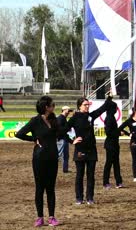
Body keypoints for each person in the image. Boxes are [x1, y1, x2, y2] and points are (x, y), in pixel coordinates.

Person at [15, 96, 79, 227]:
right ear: (46, 107)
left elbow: (61, 133)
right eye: (52, 104)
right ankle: (39, 217)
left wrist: (72, 140)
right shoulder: (35, 121)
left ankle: (51, 217)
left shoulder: (54, 120)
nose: (54, 106)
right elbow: (19, 134)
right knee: (40, 188)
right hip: (39, 159)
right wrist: (34, 138)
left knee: (51, 188)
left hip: (52, 158)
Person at [66, 96, 112, 205]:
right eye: (85, 105)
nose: (87, 107)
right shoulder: (75, 118)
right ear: (79, 106)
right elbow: (62, 130)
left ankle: (90, 197)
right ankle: (79, 198)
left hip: (91, 150)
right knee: (79, 175)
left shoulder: (91, 116)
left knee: (91, 175)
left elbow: (103, 108)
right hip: (80, 150)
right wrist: (72, 140)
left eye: (88, 105)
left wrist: (109, 97)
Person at [102, 99, 123, 189]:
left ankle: (118, 181)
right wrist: (119, 133)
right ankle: (106, 182)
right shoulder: (109, 118)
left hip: (114, 143)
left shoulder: (111, 117)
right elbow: (109, 132)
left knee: (116, 163)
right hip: (110, 144)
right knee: (109, 163)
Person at [57, 106, 73, 173]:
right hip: (62, 139)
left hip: (63, 139)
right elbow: (60, 130)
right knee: (59, 155)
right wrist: (67, 128)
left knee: (65, 155)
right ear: (63, 110)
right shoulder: (61, 118)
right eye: (68, 110)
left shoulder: (63, 118)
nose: (69, 112)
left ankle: (65, 169)